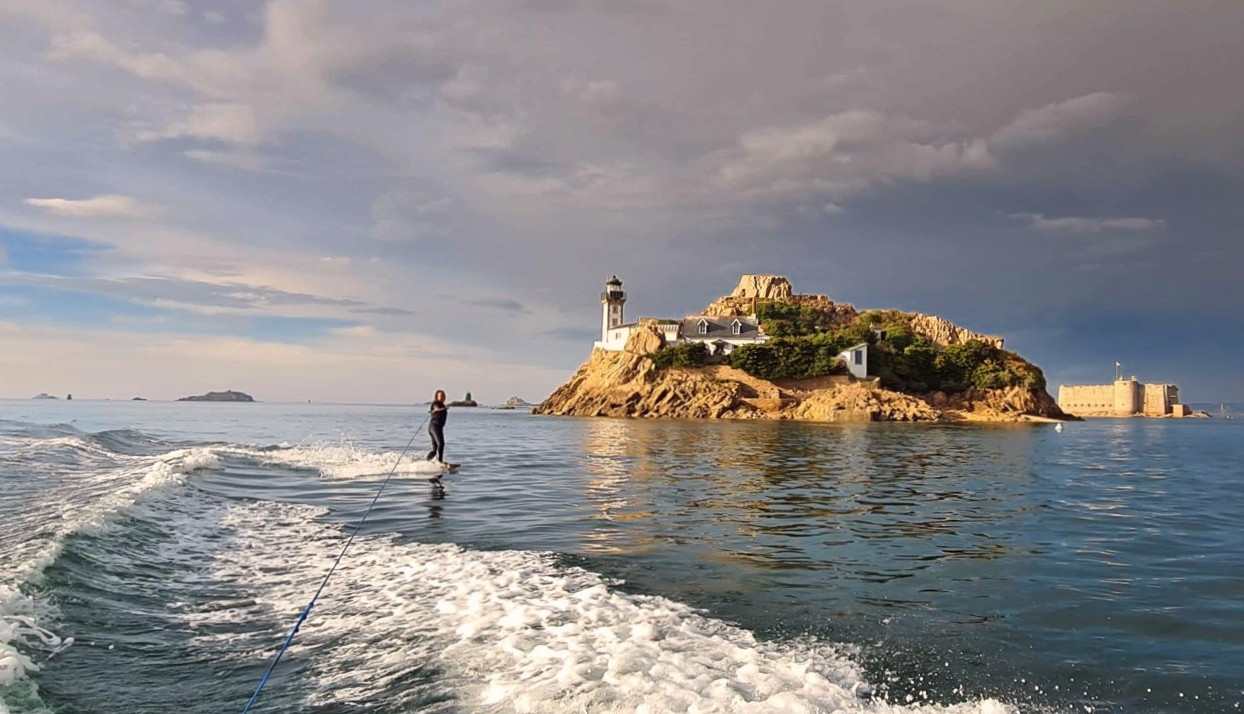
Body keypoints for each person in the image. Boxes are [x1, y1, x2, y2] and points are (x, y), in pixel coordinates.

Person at [426, 389, 448, 464]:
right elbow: (436, 407)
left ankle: (426, 461)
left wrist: (443, 408)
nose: (443, 397)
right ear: (437, 397)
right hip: (434, 427)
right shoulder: (435, 403)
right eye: (441, 395)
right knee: (441, 444)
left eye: (444, 395)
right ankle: (440, 462)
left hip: (436, 428)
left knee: (435, 450)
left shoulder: (443, 405)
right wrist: (437, 409)